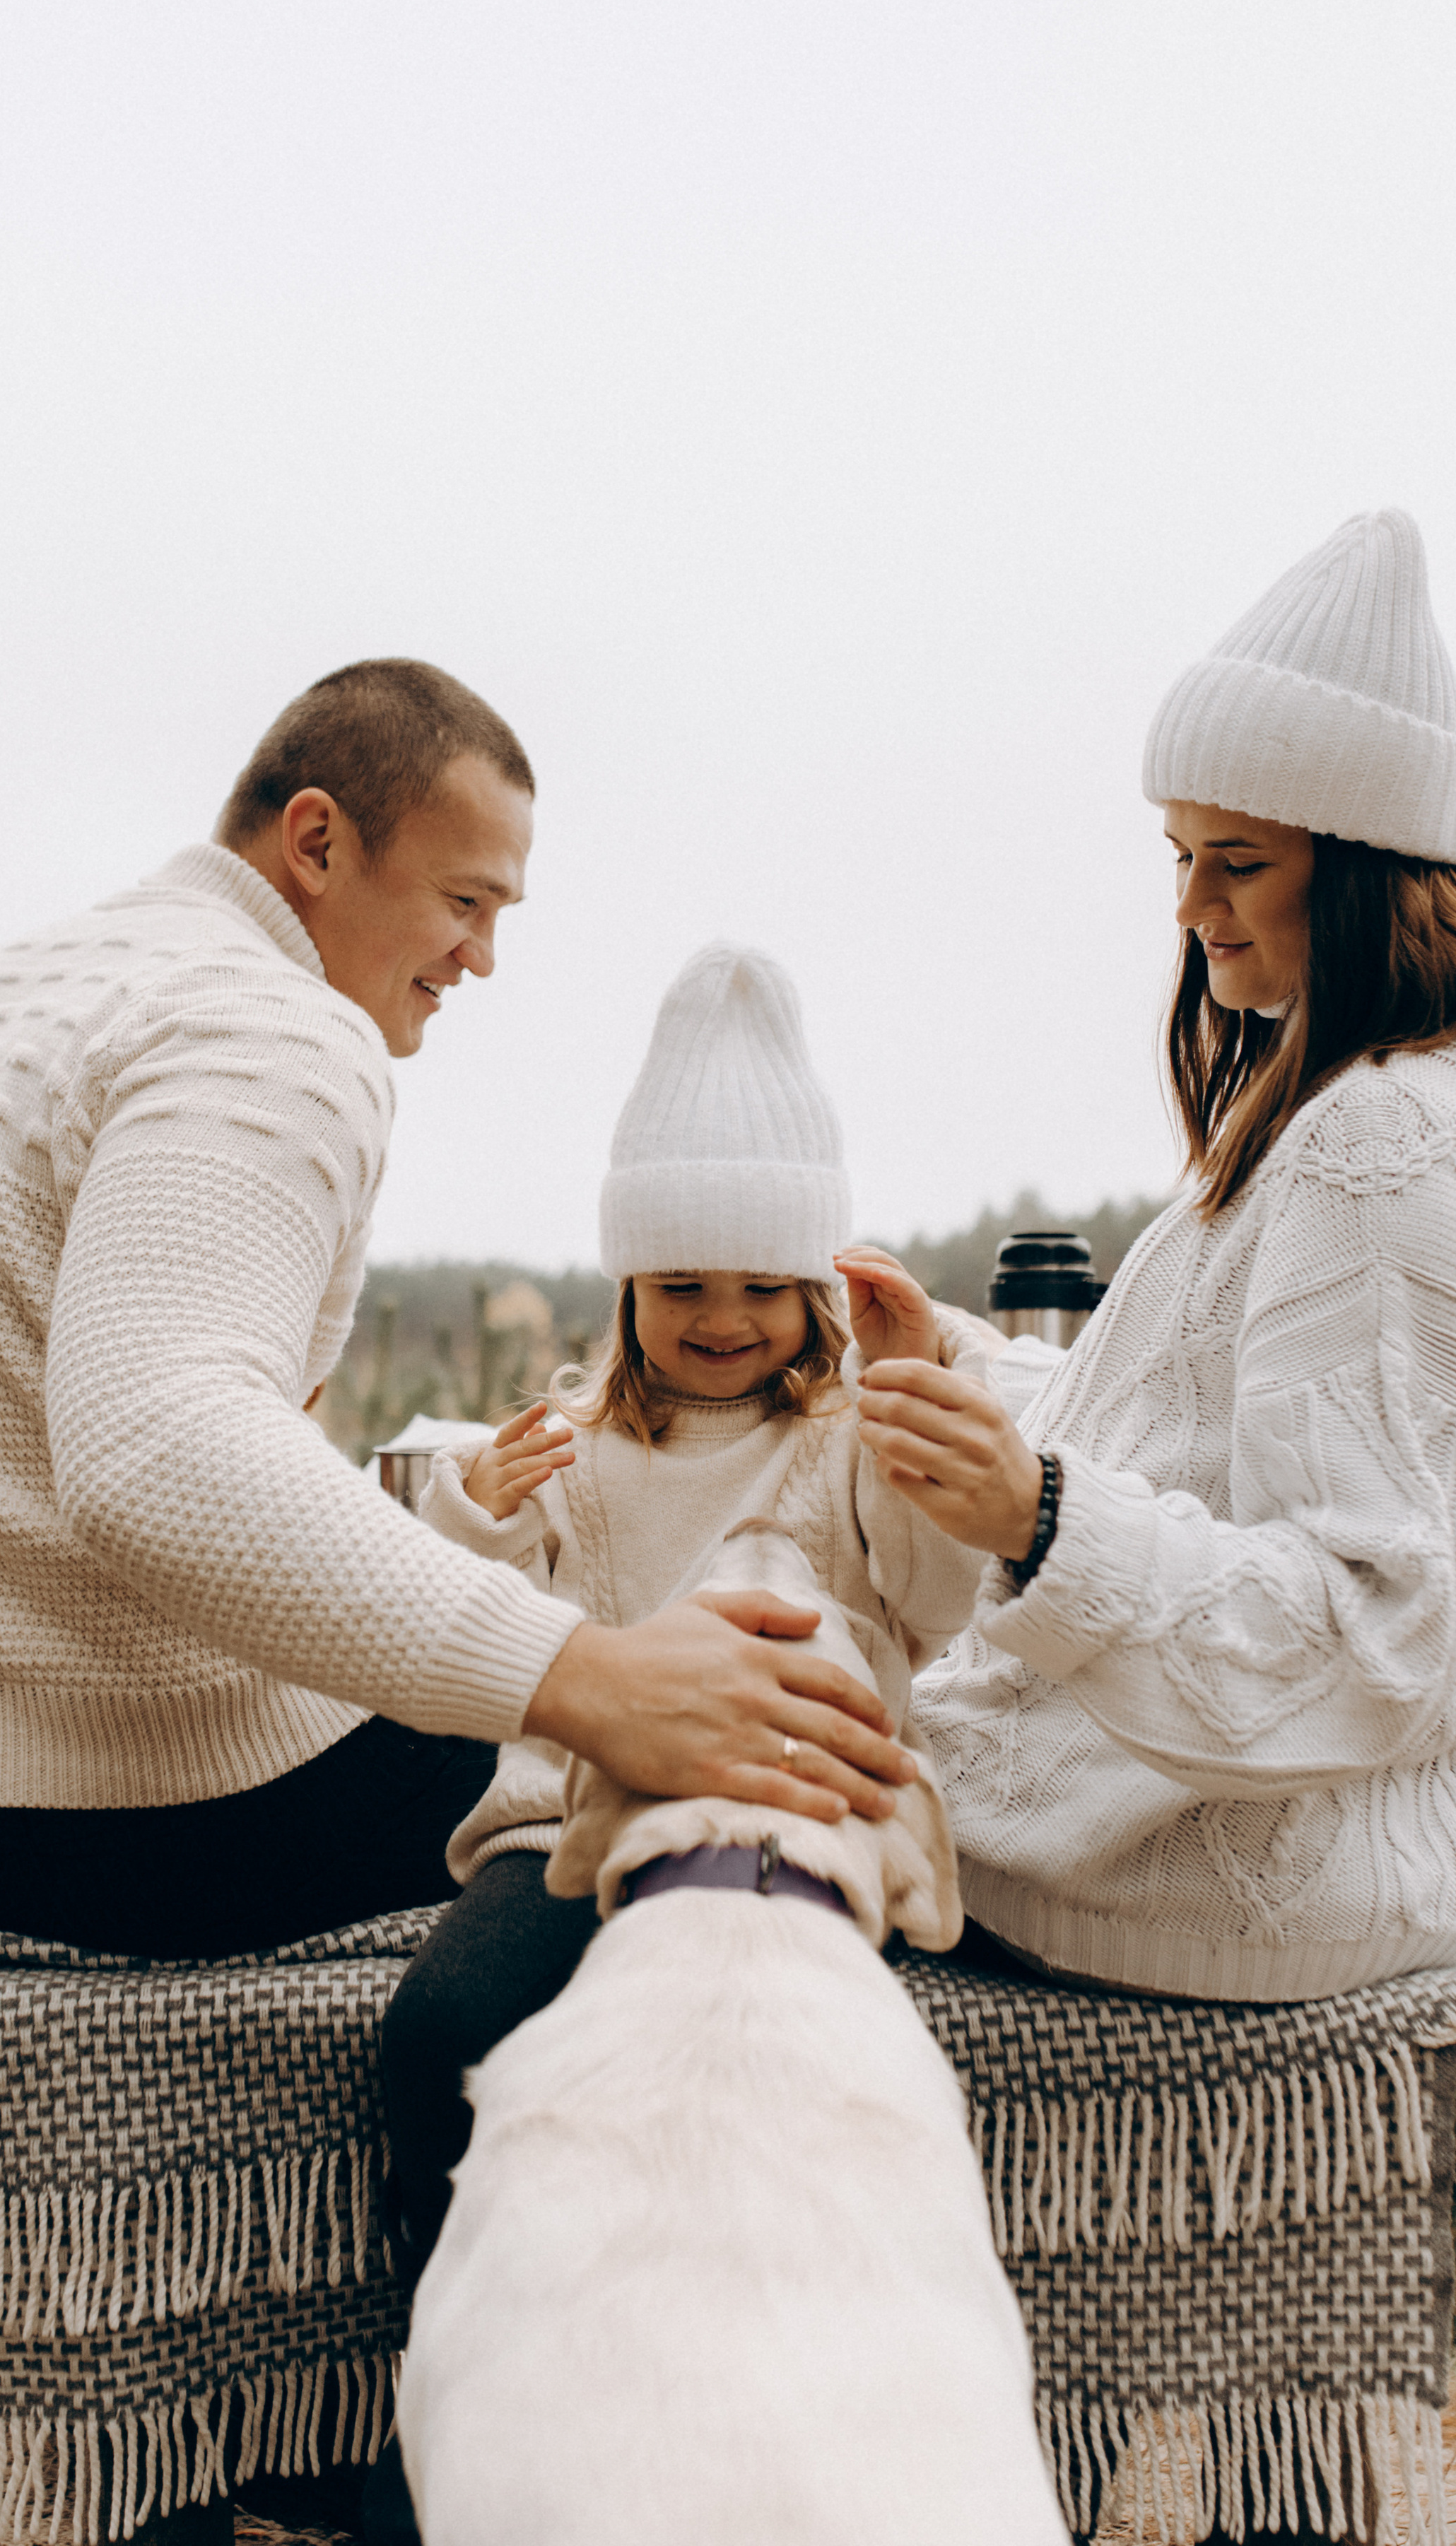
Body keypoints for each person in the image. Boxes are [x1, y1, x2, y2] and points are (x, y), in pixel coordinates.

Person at [0, 661, 913, 1960]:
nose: (482, 956)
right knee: (628, 1776)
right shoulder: (275, 1023)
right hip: (143, 1812)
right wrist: (594, 1681)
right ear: (316, 841)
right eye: (464, 900)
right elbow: (155, 1445)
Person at [858, 508, 1456, 2005]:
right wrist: (964, 1367)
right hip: (1258, 1869)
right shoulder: (1428, 1107)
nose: (1188, 914)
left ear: (1365, 867)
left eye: (1234, 864)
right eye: (1180, 857)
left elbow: (1377, 1616)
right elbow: (1207, 1454)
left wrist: (1035, 1521)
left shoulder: (1385, 1146)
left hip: (1186, 1892)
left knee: (621, 1867)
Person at [377, 941, 995, 2280]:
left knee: (802, 2080)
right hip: (566, 1829)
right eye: (682, 1287)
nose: (723, 1320)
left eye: (764, 1286)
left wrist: (910, 1410)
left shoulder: (846, 1432)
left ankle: (762, 2318)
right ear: (628, 1286)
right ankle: (449, 2338)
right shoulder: (572, 1440)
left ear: (819, 1291)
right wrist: (475, 1510)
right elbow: (462, 1632)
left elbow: (936, 1602)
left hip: (800, 1825)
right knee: (445, 2029)